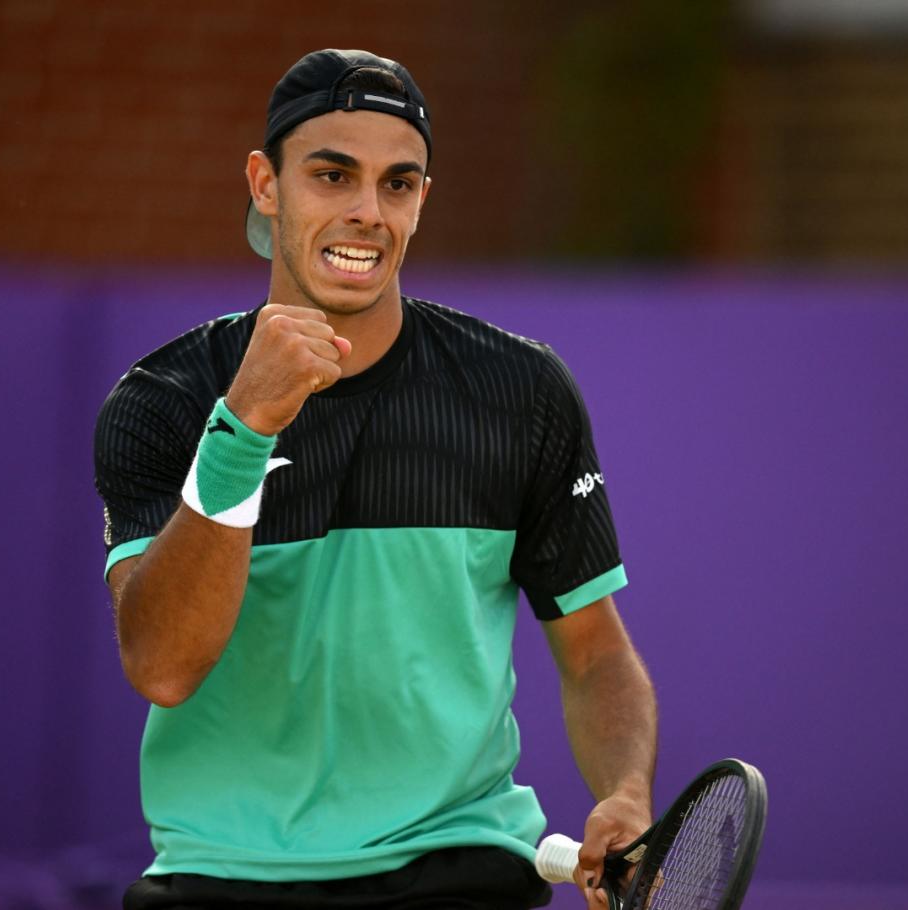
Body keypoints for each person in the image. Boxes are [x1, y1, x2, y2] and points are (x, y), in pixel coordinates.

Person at [93, 48, 657, 910]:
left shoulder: (523, 391)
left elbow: (593, 650)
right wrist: (242, 428)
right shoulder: (162, 402)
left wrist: (623, 789)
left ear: (422, 200)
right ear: (264, 183)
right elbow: (163, 665)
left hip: (457, 868)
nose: (366, 213)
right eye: (331, 175)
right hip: (221, 878)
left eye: (398, 184)